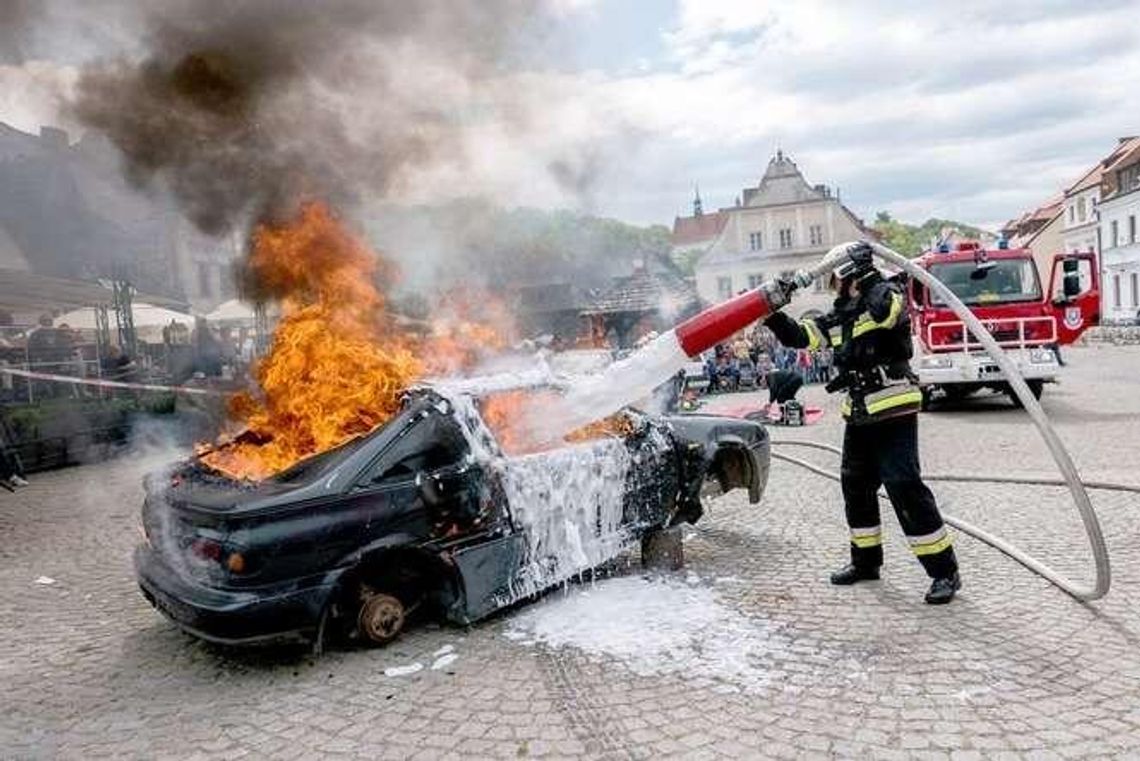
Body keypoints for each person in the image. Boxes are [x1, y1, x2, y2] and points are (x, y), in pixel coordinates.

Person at [764, 242, 961, 604]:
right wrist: (771, 310)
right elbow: (800, 337)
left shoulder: (887, 292)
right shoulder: (843, 314)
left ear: (846, 273)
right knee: (855, 486)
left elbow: (888, 313)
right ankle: (866, 562)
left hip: (893, 407)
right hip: (858, 413)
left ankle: (944, 572)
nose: (833, 285)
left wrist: (869, 274)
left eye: (836, 276)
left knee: (903, 485)